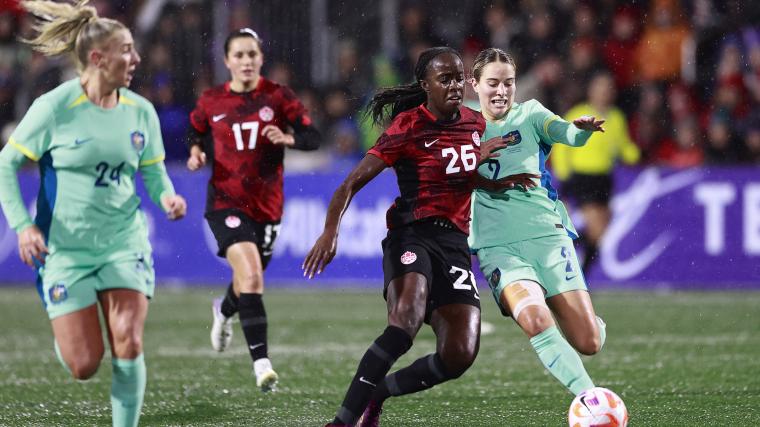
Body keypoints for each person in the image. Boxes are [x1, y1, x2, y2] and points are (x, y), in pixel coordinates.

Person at [302, 46, 516, 427]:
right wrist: (330, 231)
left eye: (458, 78)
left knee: (459, 355)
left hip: (453, 245)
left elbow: (461, 169)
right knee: (405, 322)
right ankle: (341, 422)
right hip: (411, 235)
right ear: (425, 84)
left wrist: (492, 167)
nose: (454, 86)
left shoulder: (474, 122)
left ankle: (378, 392)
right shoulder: (407, 127)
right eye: (444, 79)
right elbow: (350, 183)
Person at [0, 2, 187, 426]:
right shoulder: (54, 107)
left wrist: (167, 198)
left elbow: (154, 173)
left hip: (124, 242)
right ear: (98, 58)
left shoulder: (141, 110)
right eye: (126, 50)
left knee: (129, 342)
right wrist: (24, 226)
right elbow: (6, 164)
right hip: (65, 250)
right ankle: (69, 335)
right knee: (84, 363)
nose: (136, 59)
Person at [186, 28, 321, 392]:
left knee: (248, 278)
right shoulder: (212, 100)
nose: (246, 61)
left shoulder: (278, 97)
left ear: (261, 58)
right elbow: (195, 130)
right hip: (225, 202)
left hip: (267, 207)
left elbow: (313, 136)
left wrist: (290, 138)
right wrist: (196, 151)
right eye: (239, 55)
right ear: (227, 61)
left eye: (252, 55)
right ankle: (262, 365)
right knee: (253, 277)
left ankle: (223, 310)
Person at [469, 47, 606, 396]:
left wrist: (582, 131)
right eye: (493, 83)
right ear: (475, 84)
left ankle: (589, 322)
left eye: (509, 83)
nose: (501, 91)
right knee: (534, 319)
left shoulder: (530, 114)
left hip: (547, 236)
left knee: (589, 342)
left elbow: (566, 133)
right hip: (498, 245)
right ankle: (590, 399)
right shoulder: (461, 126)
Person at [552, 71, 640, 274]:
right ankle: (577, 268)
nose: (604, 93)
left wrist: (637, 154)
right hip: (583, 177)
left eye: (608, 88)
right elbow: (562, 146)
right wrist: (564, 175)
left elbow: (623, 147)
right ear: (591, 91)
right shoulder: (578, 113)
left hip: (604, 179)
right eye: (600, 88)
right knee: (597, 227)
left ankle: (573, 256)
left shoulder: (616, 117)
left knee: (600, 232)